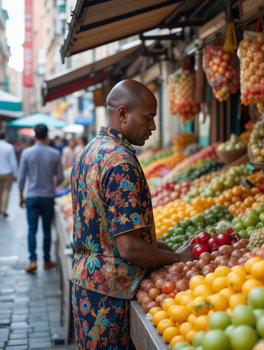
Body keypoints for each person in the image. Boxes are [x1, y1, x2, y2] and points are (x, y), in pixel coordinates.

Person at [71, 79, 194, 350]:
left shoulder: (89, 152)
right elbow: (128, 248)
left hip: (87, 285)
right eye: (148, 118)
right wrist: (177, 258)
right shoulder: (121, 163)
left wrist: (157, 248)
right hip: (114, 296)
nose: (153, 127)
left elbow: (106, 232)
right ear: (123, 114)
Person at [18, 124, 64, 273]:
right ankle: (46, 260)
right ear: (47, 136)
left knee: (31, 229)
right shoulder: (55, 153)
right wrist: (51, 185)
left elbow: (21, 178)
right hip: (48, 196)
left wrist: (21, 197)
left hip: (31, 195)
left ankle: (32, 261)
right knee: (46, 230)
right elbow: (61, 177)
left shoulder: (26, 153)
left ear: (34, 136)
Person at [0, 131, 18, 217]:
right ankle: (3, 209)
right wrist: (15, 174)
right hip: (7, 172)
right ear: (5, 137)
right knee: (6, 191)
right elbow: (13, 162)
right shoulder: (9, 147)